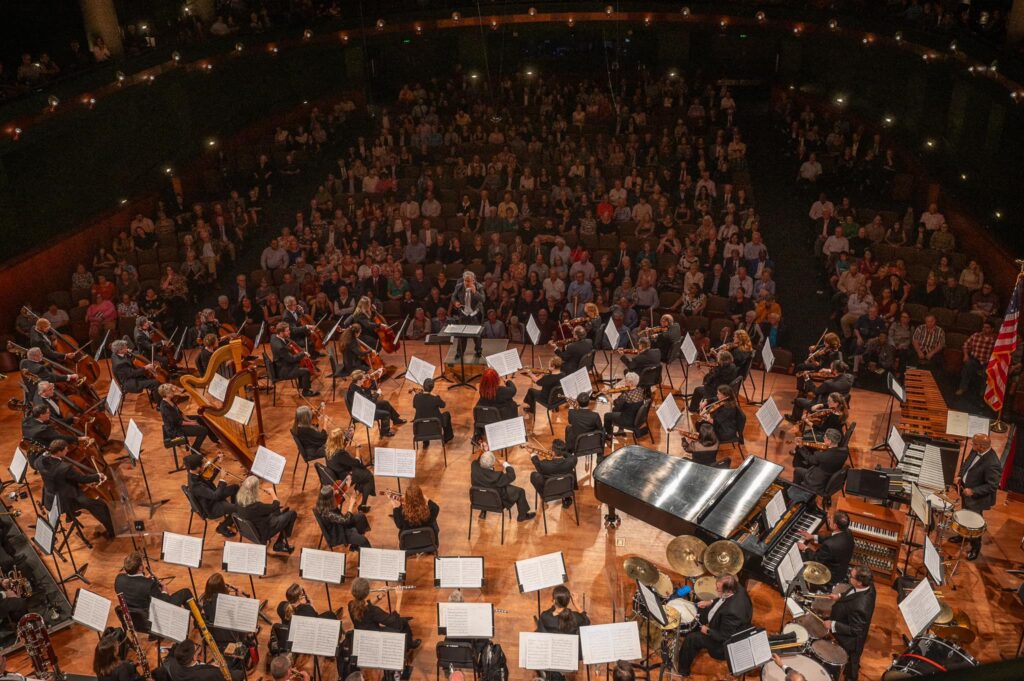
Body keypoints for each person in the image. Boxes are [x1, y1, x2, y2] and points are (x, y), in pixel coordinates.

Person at [34, 439, 115, 539]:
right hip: (65, 500)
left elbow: (35, 462)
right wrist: (98, 476)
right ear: (59, 452)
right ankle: (112, 531)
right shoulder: (64, 468)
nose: (67, 450)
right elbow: (82, 479)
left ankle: (70, 515)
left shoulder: (40, 461)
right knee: (99, 505)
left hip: (50, 497)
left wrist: (45, 453)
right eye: (65, 449)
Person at [675, 574, 753, 677]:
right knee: (699, 611)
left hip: (723, 643)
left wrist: (707, 631)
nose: (715, 590)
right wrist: (710, 602)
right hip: (721, 619)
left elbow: (724, 636)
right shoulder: (736, 586)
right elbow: (722, 599)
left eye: (718, 589)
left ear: (728, 591)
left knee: (692, 639)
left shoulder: (732, 612)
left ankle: (683, 670)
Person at [953, 433, 1001, 561]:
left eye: (973, 444)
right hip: (965, 491)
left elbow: (992, 486)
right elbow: (966, 464)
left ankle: (975, 547)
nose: (971, 445)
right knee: (964, 514)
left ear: (981, 446)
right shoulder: (976, 450)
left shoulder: (993, 463)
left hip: (977, 497)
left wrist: (973, 491)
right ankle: (962, 536)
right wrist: (960, 475)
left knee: (974, 523)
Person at [822, 566, 876, 681]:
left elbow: (856, 630)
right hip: (848, 619)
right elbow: (853, 592)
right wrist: (839, 596)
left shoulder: (861, 606)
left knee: (852, 664)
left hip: (851, 639)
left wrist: (832, 624)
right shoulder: (869, 586)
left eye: (851, 576)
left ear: (859, 582)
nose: (848, 577)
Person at [348, 577, 420, 650]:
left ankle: (408, 644)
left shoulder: (351, 605)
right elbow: (395, 622)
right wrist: (399, 597)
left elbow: (365, 606)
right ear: (368, 592)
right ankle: (408, 646)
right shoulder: (374, 611)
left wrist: (380, 596)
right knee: (402, 622)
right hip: (375, 639)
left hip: (362, 637)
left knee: (400, 621)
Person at [115, 551, 193, 617]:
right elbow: (163, 603)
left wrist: (144, 580)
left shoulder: (119, 579)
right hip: (152, 618)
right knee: (186, 592)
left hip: (135, 618)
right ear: (140, 568)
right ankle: (199, 623)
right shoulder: (149, 585)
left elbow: (134, 587)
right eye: (143, 563)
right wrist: (164, 591)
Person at [235, 475, 297, 553]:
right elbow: (276, 504)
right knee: (292, 514)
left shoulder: (238, 499)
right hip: (263, 532)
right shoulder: (256, 506)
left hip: (250, 530)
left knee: (277, 511)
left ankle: (282, 516)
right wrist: (272, 492)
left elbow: (268, 509)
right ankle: (279, 543)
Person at [471, 450, 535, 522]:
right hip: (496, 503)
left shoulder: (474, 466)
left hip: (479, 500)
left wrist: (484, 451)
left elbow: (477, 461)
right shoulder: (497, 476)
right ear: (493, 465)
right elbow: (512, 476)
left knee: (485, 487)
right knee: (520, 491)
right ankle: (522, 516)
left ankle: (483, 511)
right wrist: (505, 463)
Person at [798, 511, 854, 586]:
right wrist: (812, 537)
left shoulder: (829, 545)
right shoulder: (848, 532)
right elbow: (832, 537)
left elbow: (815, 559)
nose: (828, 519)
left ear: (835, 526)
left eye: (831, 519)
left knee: (799, 556)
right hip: (842, 568)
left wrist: (805, 548)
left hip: (830, 574)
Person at [325, 427, 375, 512]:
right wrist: (357, 448)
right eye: (342, 438)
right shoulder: (340, 454)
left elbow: (341, 459)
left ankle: (357, 493)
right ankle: (362, 505)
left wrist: (345, 445)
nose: (344, 438)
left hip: (337, 473)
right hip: (345, 477)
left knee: (363, 473)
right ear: (339, 441)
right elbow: (357, 462)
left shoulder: (327, 449)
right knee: (369, 476)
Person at [785, 360, 853, 422]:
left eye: (831, 368)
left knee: (798, 400)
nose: (830, 368)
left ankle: (794, 419)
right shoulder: (850, 378)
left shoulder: (828, 384)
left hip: (823, 407)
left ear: (835, 370)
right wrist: (829, 371)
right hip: (838, 407)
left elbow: (815, 391)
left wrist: (807, 379)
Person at [346, 370, 404, 437]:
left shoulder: (354, 384)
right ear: (359, 380)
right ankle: (385, 432)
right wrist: (377, 394)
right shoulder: (357, 392)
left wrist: (374, 373)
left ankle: (396, 420)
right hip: (362, 412)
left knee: (385, 403)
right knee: (386, 414)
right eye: (363, 378)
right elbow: (370, 402)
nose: (365, 379)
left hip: (365, 406)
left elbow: (367, 396)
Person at [159, 384, 215, 452]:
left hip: (179, 421)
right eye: (171, 391)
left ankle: (214, 438)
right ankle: (195, 449)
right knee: (203, 430)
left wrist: (190, 420)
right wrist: (192, 423)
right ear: (166, 394)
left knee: (200, 418)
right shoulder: (165, 407)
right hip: (175, 428)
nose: (173, 391)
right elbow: (178, 422)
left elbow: (180, 413)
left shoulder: (170, 400)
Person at [314, 485, 371, 550]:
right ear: (330, 498)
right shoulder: (328, 513)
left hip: (339, 524)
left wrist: (338, 494)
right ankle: (368, 553)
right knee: (364, 541)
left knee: (360, 517)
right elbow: (346, 520)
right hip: (338, 533)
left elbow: (342, 518)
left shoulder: (323, 504)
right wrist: (351, 505)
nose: (336, 492)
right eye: (333, 493)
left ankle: (355, 546)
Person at [793, 429, 848, 497]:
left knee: (797, 470)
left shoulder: (821, 455)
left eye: (825, 437)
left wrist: (801, 446)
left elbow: (810, 460)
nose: (823, 439)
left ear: (829, 441)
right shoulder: (844, 452)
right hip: (830, 478)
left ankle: (795, 491)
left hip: (817, 483)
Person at [270, 322, 318, 397]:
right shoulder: (280, 347)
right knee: (306, 371)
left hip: (280, 365)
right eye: (287, 331)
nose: (289, 332)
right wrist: (303, 353)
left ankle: (302, 385)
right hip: (283, 370)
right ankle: (306, 392)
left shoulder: (274, 337)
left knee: (301, 364)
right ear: (281, 333)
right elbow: (291, 359)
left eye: (289, 330)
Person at [160, 638, 243, 681]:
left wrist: (208, 666)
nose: (198, 647)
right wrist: (216, 669)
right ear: (194, 657)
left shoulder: (171, 665)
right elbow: (237, 676)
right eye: (197, 648)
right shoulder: (210, 674)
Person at [554, 392, 604, 457]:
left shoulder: (572, 413)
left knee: (569, 428)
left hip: (577, 442)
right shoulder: (595, 415)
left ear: (577, 402)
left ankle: (568, 451)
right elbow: (600, 428)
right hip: (592, 442)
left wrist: (571, 407)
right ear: (589, 402)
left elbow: (570, 422)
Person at [111, 339, 160, 405]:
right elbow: (133, 373)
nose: (127, 348)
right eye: (125, 347)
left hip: (131, 375)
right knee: (155, 383)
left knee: (150, 377)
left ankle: (154, 397)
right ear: (120, 350)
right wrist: (146, 367)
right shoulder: (120, 364)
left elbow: (129, 365)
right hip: (131, 382)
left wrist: (129, 354)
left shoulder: (114, 354)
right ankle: (159, 404)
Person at [529, 443, 577, 508]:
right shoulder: (572, 461)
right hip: (566, 488)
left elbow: (537, 463)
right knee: (571, 472)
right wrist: (562, 451)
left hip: (549, 491)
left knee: (534, 475)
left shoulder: (544, 464)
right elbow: (571, 456)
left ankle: (543, 496)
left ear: (553, 452)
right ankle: (567, 497)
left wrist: (532, 453)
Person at [957, 321, 996, 397]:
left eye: (987, 328)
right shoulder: (976, 335)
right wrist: (966, 355)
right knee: (967, 366)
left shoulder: (995, 339)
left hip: (987, 362)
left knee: (987, 372)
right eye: (983, 327)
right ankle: (962, 388)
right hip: (975, 359)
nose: (984, 329)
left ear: (992, 329)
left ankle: (983, 392)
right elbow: (965, 345)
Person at [603, 372, 646, 437]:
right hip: (638, 417)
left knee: (607, 416)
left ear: (631, 383)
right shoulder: (640, 389)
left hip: (629, 420)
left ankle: (609, 435)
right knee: (617, 408)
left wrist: (606, 395)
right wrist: (622, 389)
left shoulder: (626, 395)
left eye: (626, 381)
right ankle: (621, 430)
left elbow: (615, 403)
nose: (624, 382)